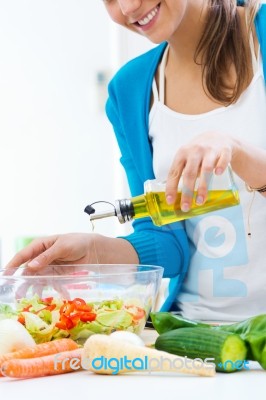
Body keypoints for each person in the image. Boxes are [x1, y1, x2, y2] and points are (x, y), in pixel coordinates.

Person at [5, 0, 266, 321]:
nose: (129, 7)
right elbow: (167, 240)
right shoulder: (129, 90)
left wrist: (236, 150)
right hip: (191, 335)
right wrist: (97, 251)